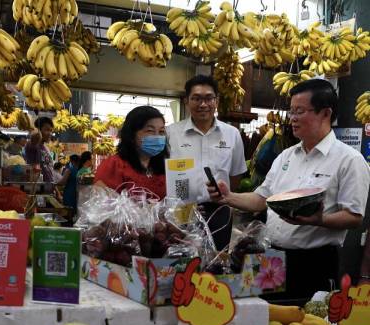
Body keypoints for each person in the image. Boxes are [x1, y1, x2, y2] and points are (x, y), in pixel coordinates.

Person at [207, 79, 370, 302]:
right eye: (291, 111)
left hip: (314, 262)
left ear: (325, 113)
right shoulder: (285, 156)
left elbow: (354, 217)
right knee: (264, 318)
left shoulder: (349, 160)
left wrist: (317, 220)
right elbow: (261, 199)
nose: (292, 118)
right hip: (270, 256)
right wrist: (228, 197)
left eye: (299, 111)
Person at [166, 75, 247, 251]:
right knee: (181, 261)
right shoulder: (171, 133)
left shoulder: (232, 134)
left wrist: (224, 198)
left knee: (216, 262)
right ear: (187, 101)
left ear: (216, 101)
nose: (203, 104)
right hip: (181, 210)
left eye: (209, 98)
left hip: (219, 210)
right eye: (196, 98)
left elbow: (236, 175)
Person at [95, 106, 169, 199]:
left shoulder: (164, 166)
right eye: (150, 130)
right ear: (131, 135)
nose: (157, 137)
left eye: (161, 131)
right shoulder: (113, 166)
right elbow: (100, 206)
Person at [25, 116, 55, 182]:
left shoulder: (45, 147)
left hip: (47, 187)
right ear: (38, 130)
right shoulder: (32, 145)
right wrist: (35, 135)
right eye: (47, 130)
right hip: (37, 187)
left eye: (51, 130)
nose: (50, 134)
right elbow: (33, 141)